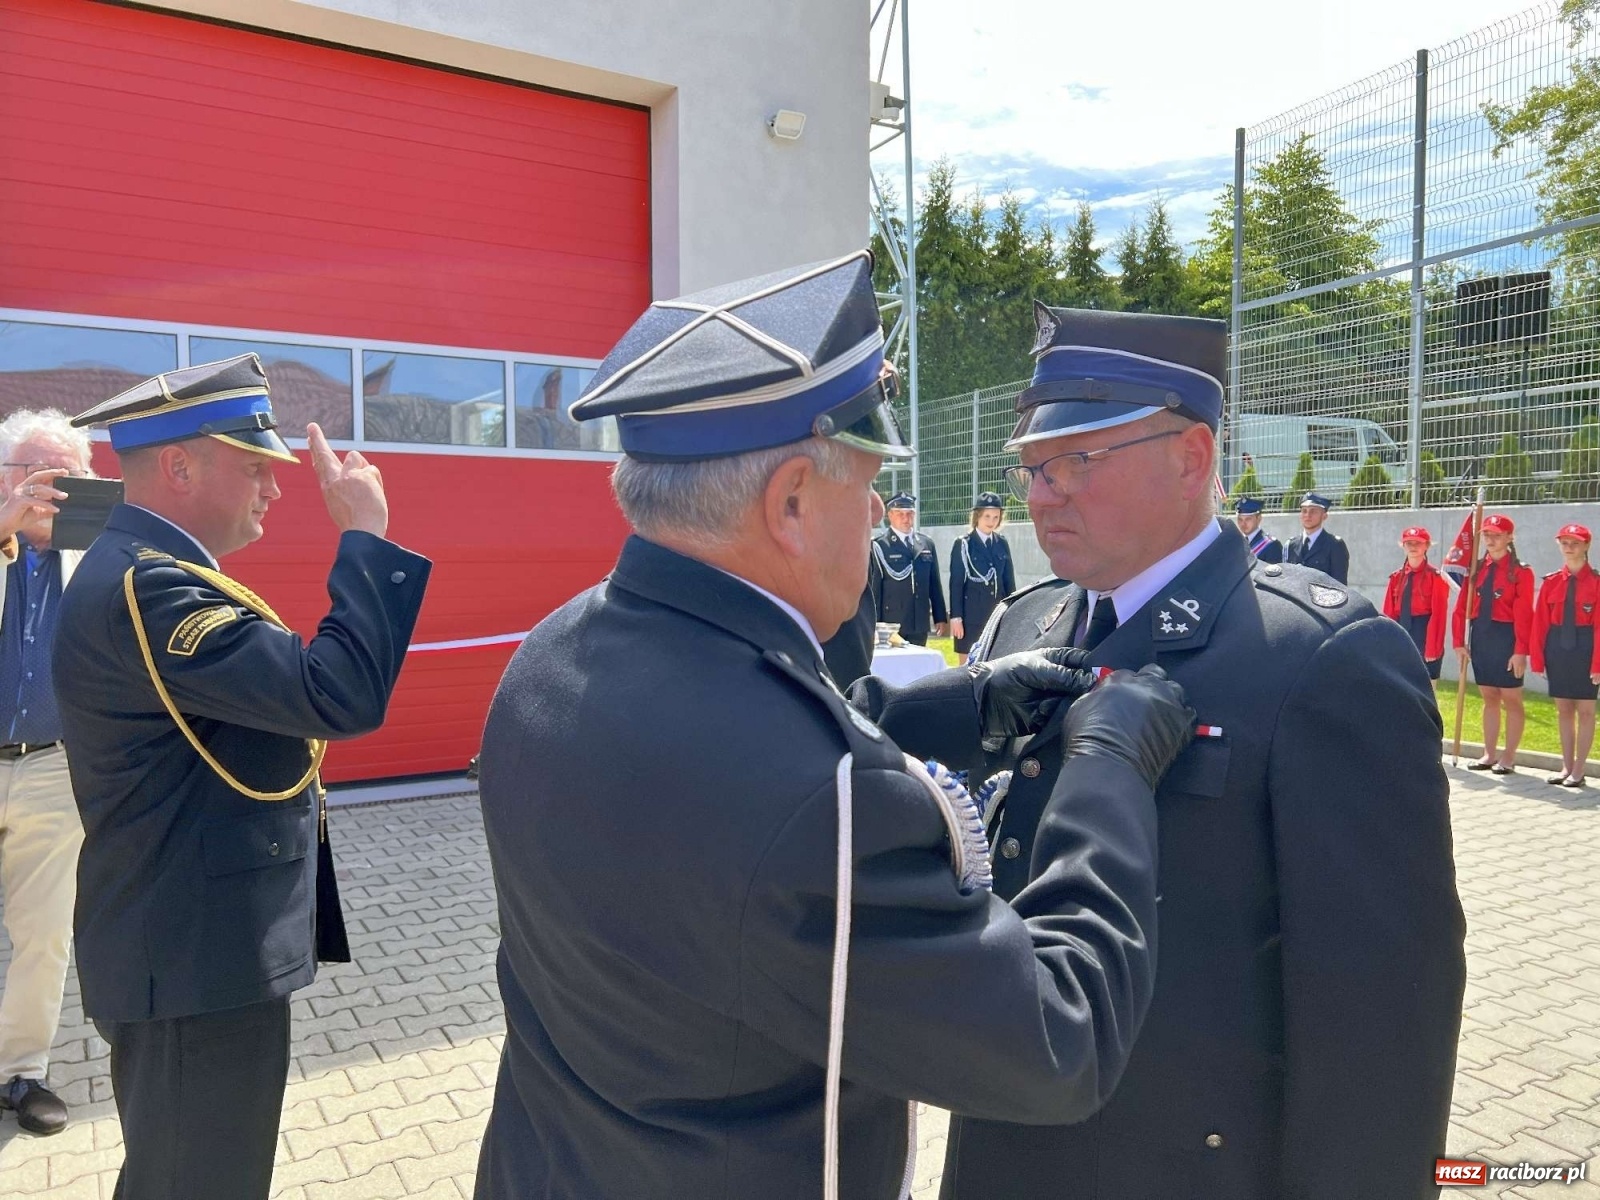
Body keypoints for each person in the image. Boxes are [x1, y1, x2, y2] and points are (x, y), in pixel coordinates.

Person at [473, 253, 1196, 1200]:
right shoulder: (828, 808)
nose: (875, 520)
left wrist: (959, 704)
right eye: (864, 488)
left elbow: (718, 762)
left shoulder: (551, 656)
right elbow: (1059, 1042)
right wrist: (1107, 766)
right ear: (790, 504)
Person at [851, 303, 1465, 1200]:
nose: (1041, 492)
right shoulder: (1031, 620)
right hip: (1010, 1143)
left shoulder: (1317, 661)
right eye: (1031, 465)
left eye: (1076, 461)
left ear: (1193, 456)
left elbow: (1384, 1013)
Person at [52, 354, 431, 1200]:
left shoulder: (148, 568)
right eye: (255, 465)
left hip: (190, 943)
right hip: (193, 957)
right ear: (180, 466)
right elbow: (332, 695)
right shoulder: (153, 586)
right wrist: (364, 538)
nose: (275, 487)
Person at [0, 410, 91, 1137]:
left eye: (59, 475)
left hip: (55, 773)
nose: (42, 487)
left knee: (43, 934)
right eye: (27, 470)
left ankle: (21, 1072)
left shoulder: (97, 560)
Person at [1452, 513, 1534, 775]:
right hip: (1481, 635)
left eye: (1497, 535)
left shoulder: (1521, 572)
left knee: (1511, 698)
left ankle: (1508, 756)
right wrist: (1459, 642)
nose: (1490, 539)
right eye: (1486, 534)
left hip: (1507, 636)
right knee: (1488, 696)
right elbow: (1460, 608)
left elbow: (1524, 614)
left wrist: (1521, 650)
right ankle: (1489, 753)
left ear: (1510, 538)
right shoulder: (1476, 569)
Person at [1530, 523, 1600, 787]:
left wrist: (1597, 664)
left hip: (1586, 646)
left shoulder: (1596, 583)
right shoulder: (1551, 583)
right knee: (1563, 710)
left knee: (1585, 710)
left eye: (1575, 543)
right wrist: (1538, 658)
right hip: (1558, 646)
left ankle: (1579, 770)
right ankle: (1566, 766)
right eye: (1565, 543)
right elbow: (1541, 624)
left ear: (1586, 547)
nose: (1569, 548)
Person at [871, 492, 947, 644]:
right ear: (890, 515)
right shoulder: (880, 546)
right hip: (891, 623)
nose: (906, 519)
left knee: (919, 665)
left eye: (910, 514)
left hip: (919, 620)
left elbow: (934, 584)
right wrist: (874, 623)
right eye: (900, 514)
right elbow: (875, 589)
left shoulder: (926, 544)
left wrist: (940, 617)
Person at [948, 490, 1016, 656]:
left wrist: (1014, 610)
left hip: (996, 614)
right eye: (987, 516)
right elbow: (956, 583)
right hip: (971, 616)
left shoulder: (1001, 543)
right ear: (977, 516)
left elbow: (1008, 581)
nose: (991, 521)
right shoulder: (964, 544)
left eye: (995, 517)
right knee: (967, 668)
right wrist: (956, 617)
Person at [1383, 525, 1449, 682]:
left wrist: (1432, 647)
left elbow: (1439, 615)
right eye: (1409, 543)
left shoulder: (1436, 577)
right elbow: (1388, 613)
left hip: (1424, 631)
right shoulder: (1396, 577)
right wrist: (1388, 641)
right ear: (1403, 546)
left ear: (1427, 545)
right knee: (1400, 681)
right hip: (1401, 628)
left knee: (1427, 684)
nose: (1413, 547)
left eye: (1418, 543)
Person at [1284, 491, 1350, 583]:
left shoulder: (1334, 545)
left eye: (1313, 511)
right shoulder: (1290, 545)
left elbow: (1339, 584)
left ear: (1324, 516)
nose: (1307, 515)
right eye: (1304, 511)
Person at [1231, 496, 1281, 563]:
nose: (1243, 524)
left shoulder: (1271, 545)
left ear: (1259, 518)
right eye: (1240, 519)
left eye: (1248, 519)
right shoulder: (1235, 543)